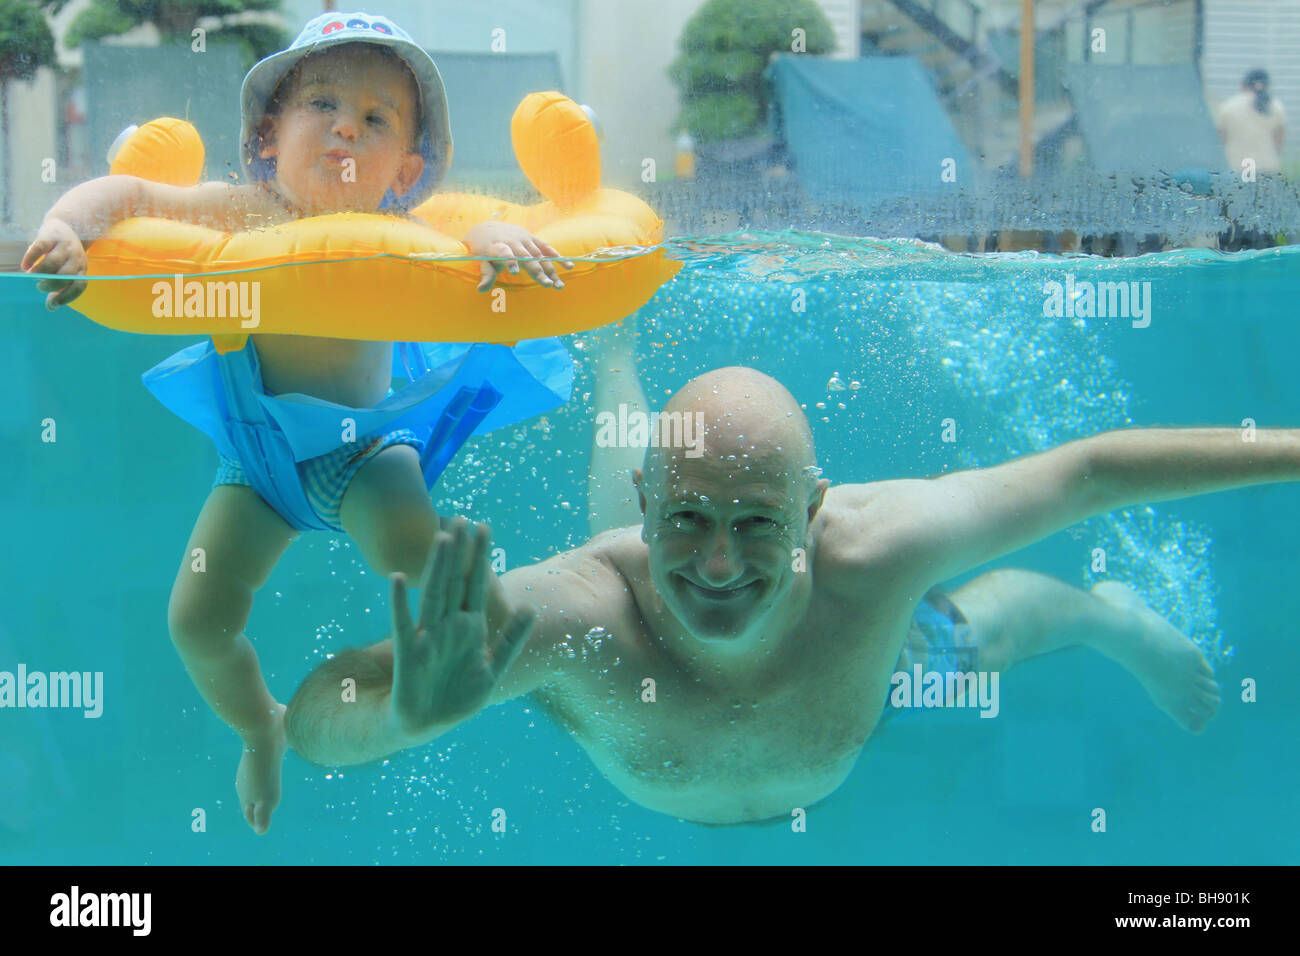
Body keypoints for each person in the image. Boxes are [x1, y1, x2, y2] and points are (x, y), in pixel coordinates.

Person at [284, 324, 1281, 826]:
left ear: (811, 510)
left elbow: (1093, 470)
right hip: (641, 616)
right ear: (654, 504)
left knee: (991, 637)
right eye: (684, 516)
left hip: (861, 680)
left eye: (758, 521)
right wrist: (401, 716)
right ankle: (618, 350)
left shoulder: (877, 547)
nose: (718, 561)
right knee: (618, 551)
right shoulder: (575, 613)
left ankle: (1113, 620)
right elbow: (317, 712)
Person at [20, 11, 574, 835]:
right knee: (195, 621)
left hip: (363, 451)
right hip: (257, 464)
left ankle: (519, 653)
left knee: (417, 553)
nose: (346, 124)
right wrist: (67, 225)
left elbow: (467, 236)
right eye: (322, 102)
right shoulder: (243, 212)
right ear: (270, 136)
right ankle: (261, 729)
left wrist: (494, 235)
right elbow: (131, 195)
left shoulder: (401, 232)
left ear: (405, 168)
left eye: (377, 117)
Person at [1216, 68, 1286, 178]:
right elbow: (1279, 141)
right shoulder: (1276, 107)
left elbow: (1221, 139)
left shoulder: (1228, 107)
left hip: (1237, 167)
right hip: (1268, 168)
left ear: (1243, 84)